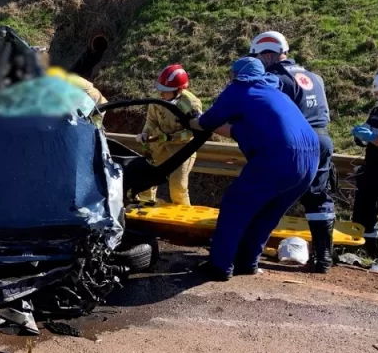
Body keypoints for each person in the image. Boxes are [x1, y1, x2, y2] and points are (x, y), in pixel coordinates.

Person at [187, 57, 319, 281]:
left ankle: (219, 266)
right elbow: (241, 130)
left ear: (237, 75)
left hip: (279, 156)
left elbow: (208, 121)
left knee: (235, 205)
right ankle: (247, 262)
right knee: (268, 212)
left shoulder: (240, 89)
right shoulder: (275, 94)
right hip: (311, 157)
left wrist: (192, 121)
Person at [249, 31, 336, 273]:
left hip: (294, 141)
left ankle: (248, 253)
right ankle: (324, 258)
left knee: (266, 193)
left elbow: (267, 112)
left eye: (258, 56)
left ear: (267, 54)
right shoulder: (314, 76)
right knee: (318, 197)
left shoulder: (275, 78)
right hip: (322, 137)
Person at [136, 64, 202, 205]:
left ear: (178, 90)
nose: (161, 94)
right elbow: (151, 120)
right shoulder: (157, 99)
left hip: (183, 148)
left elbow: (194, 132)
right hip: (159, 144)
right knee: (146, 179)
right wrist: (145, 133)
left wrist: (173, 137)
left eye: (165, 91)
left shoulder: (191, 105)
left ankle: (182, 221)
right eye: (160, 90)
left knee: (177, 186)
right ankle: (144, 212)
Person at [350, 72, 378, 261]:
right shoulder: (377, 112)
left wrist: (376, 139)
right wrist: (361, 137)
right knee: (364, 214)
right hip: (372, 170)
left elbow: (376, 139)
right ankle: (372, 256)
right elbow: (366, 134)